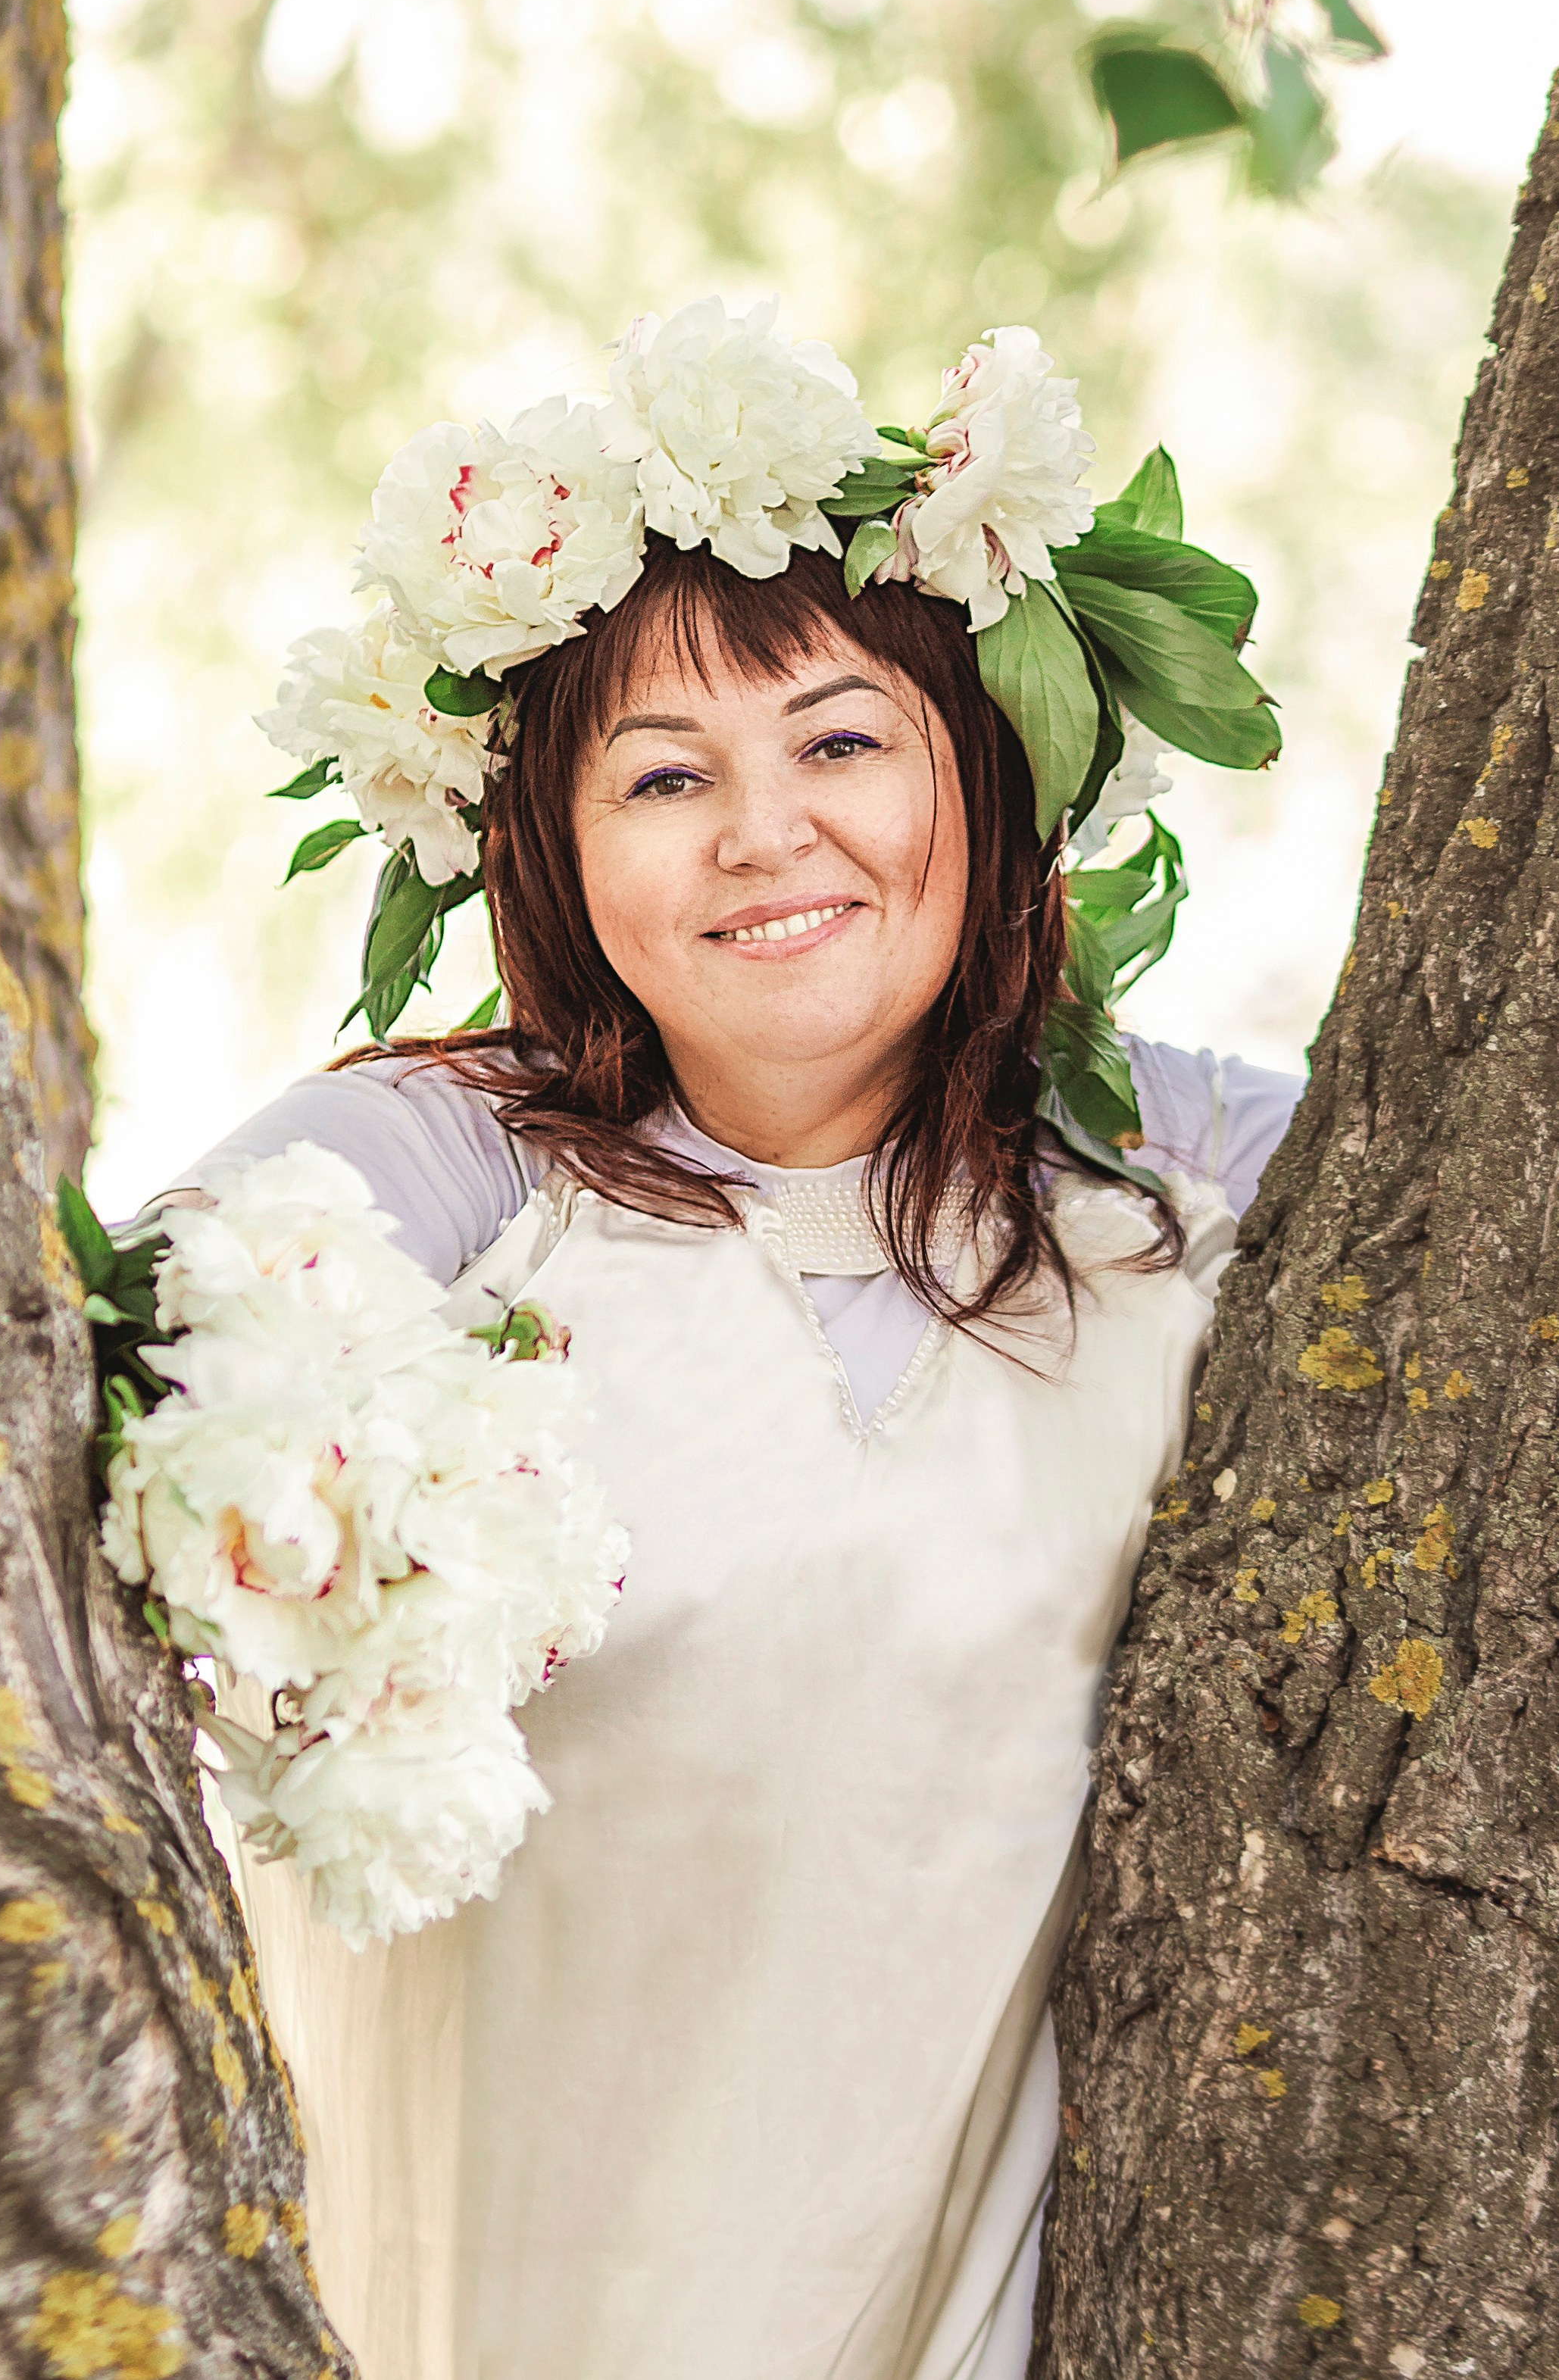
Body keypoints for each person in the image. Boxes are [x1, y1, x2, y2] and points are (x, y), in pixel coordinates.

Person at [159, 312, 1302, 2380]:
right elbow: (132, 1368)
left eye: (841, 744)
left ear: (985, 783)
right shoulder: (450, 1167)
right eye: (666, 777)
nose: (763, 833)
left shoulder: (1168, 1176)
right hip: (472, 2300)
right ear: (555, 855)